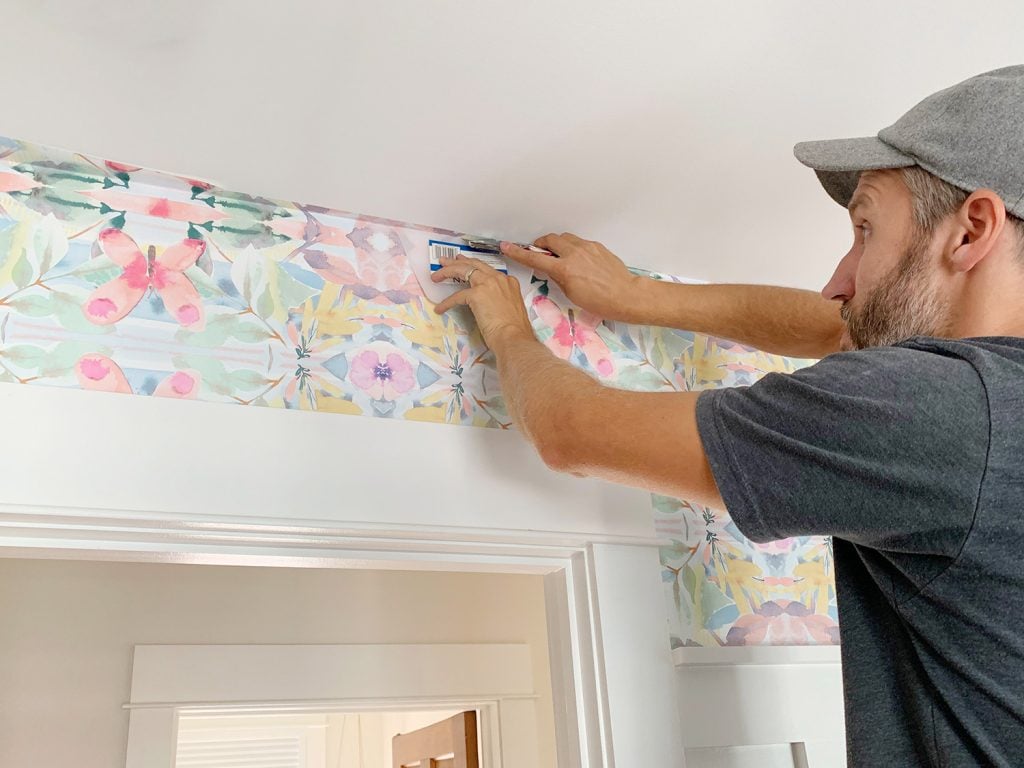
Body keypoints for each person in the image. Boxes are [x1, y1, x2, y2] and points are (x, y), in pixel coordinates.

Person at [431, 66, 1024, 766]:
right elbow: (843, 325)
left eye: (865, 229)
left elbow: (572, 433)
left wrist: (508, 330)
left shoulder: (946, 410)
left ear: (972, 230)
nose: (839, 279)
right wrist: (634, 297)